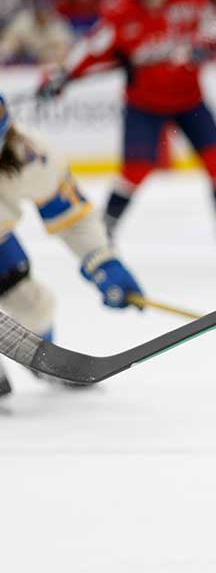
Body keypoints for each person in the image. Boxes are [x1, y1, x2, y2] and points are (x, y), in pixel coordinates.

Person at [37, 0, 216, 257]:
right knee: (135, 170)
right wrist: (60, 77)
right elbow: (91, 49)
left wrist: (205, 48)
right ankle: (103, 230)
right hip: (144, 105)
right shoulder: (122, 9)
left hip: (188, 101)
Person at [0, 93, 142, 399]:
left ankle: (38, 360)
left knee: (35, 305)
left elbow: (70, 216)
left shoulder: (29, 154)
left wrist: (103, 261)